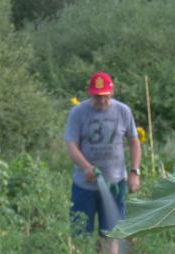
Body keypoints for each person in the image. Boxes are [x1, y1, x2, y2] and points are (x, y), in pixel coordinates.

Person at [65, 71, 141, 254]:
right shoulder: (78, 113)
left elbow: (134, 141)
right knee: (80, 233)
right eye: (97, 97)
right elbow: (71, 144)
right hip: (84, 186)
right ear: (90, 93)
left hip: (115, 184)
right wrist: (86, 167)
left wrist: (134, 172)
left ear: (111, 93)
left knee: (112, 234)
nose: (101, 101)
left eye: (105, 97)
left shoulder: (123, 111)